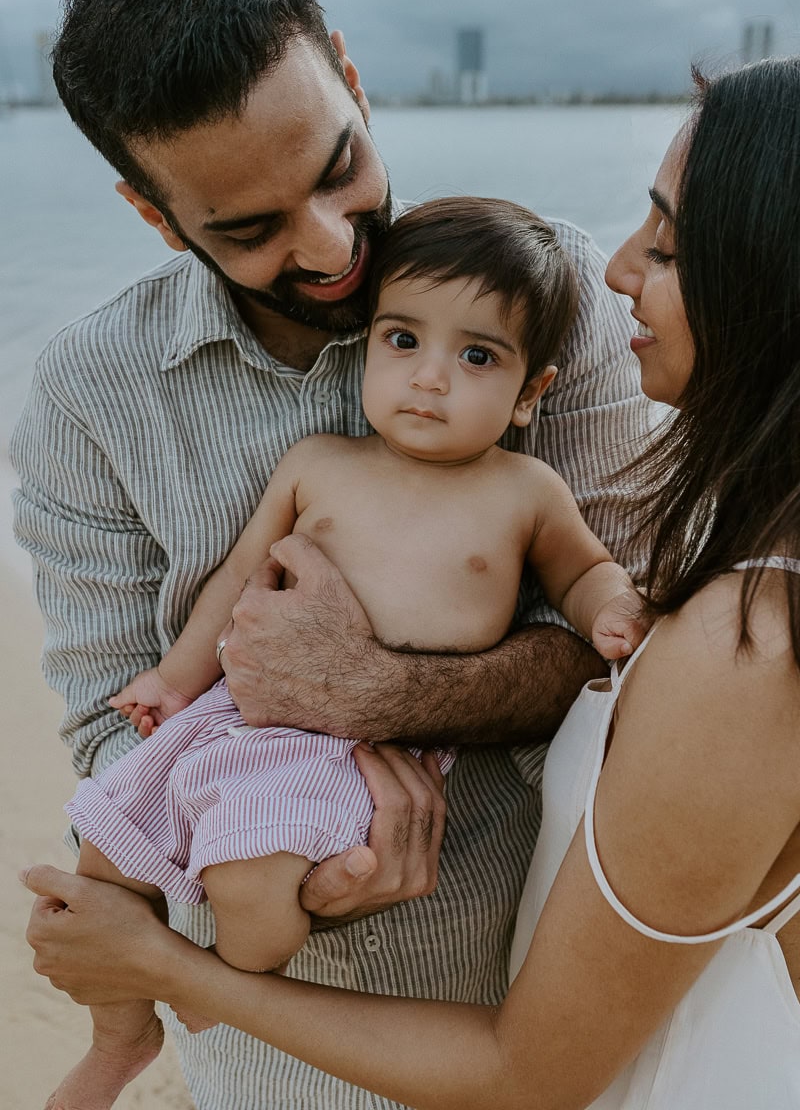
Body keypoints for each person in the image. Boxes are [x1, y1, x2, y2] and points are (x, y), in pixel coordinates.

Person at [23, 57, 800, 1109]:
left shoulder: (736, 637)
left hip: (512, 1028)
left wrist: (375, 693)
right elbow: (126, 693)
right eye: (250, 227)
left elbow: (606, 626)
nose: (618, 271)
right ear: (155, 214)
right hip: (279, 1056)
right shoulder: (93, 396)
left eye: (665, 243)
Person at [54, 196, 647, 1108]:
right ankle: (124, 1035)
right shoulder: (318, 461)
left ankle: (220, 985)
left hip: (362, 757)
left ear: (532, 393)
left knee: (252, 890)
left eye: (477, 356)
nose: (429, 380)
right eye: (401, 341)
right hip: (232, 716)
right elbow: (236, 579)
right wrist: (175, 683)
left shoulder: (524, 489)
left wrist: (613, 612)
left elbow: (586, 575)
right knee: (104, 842)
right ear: (367, 344)